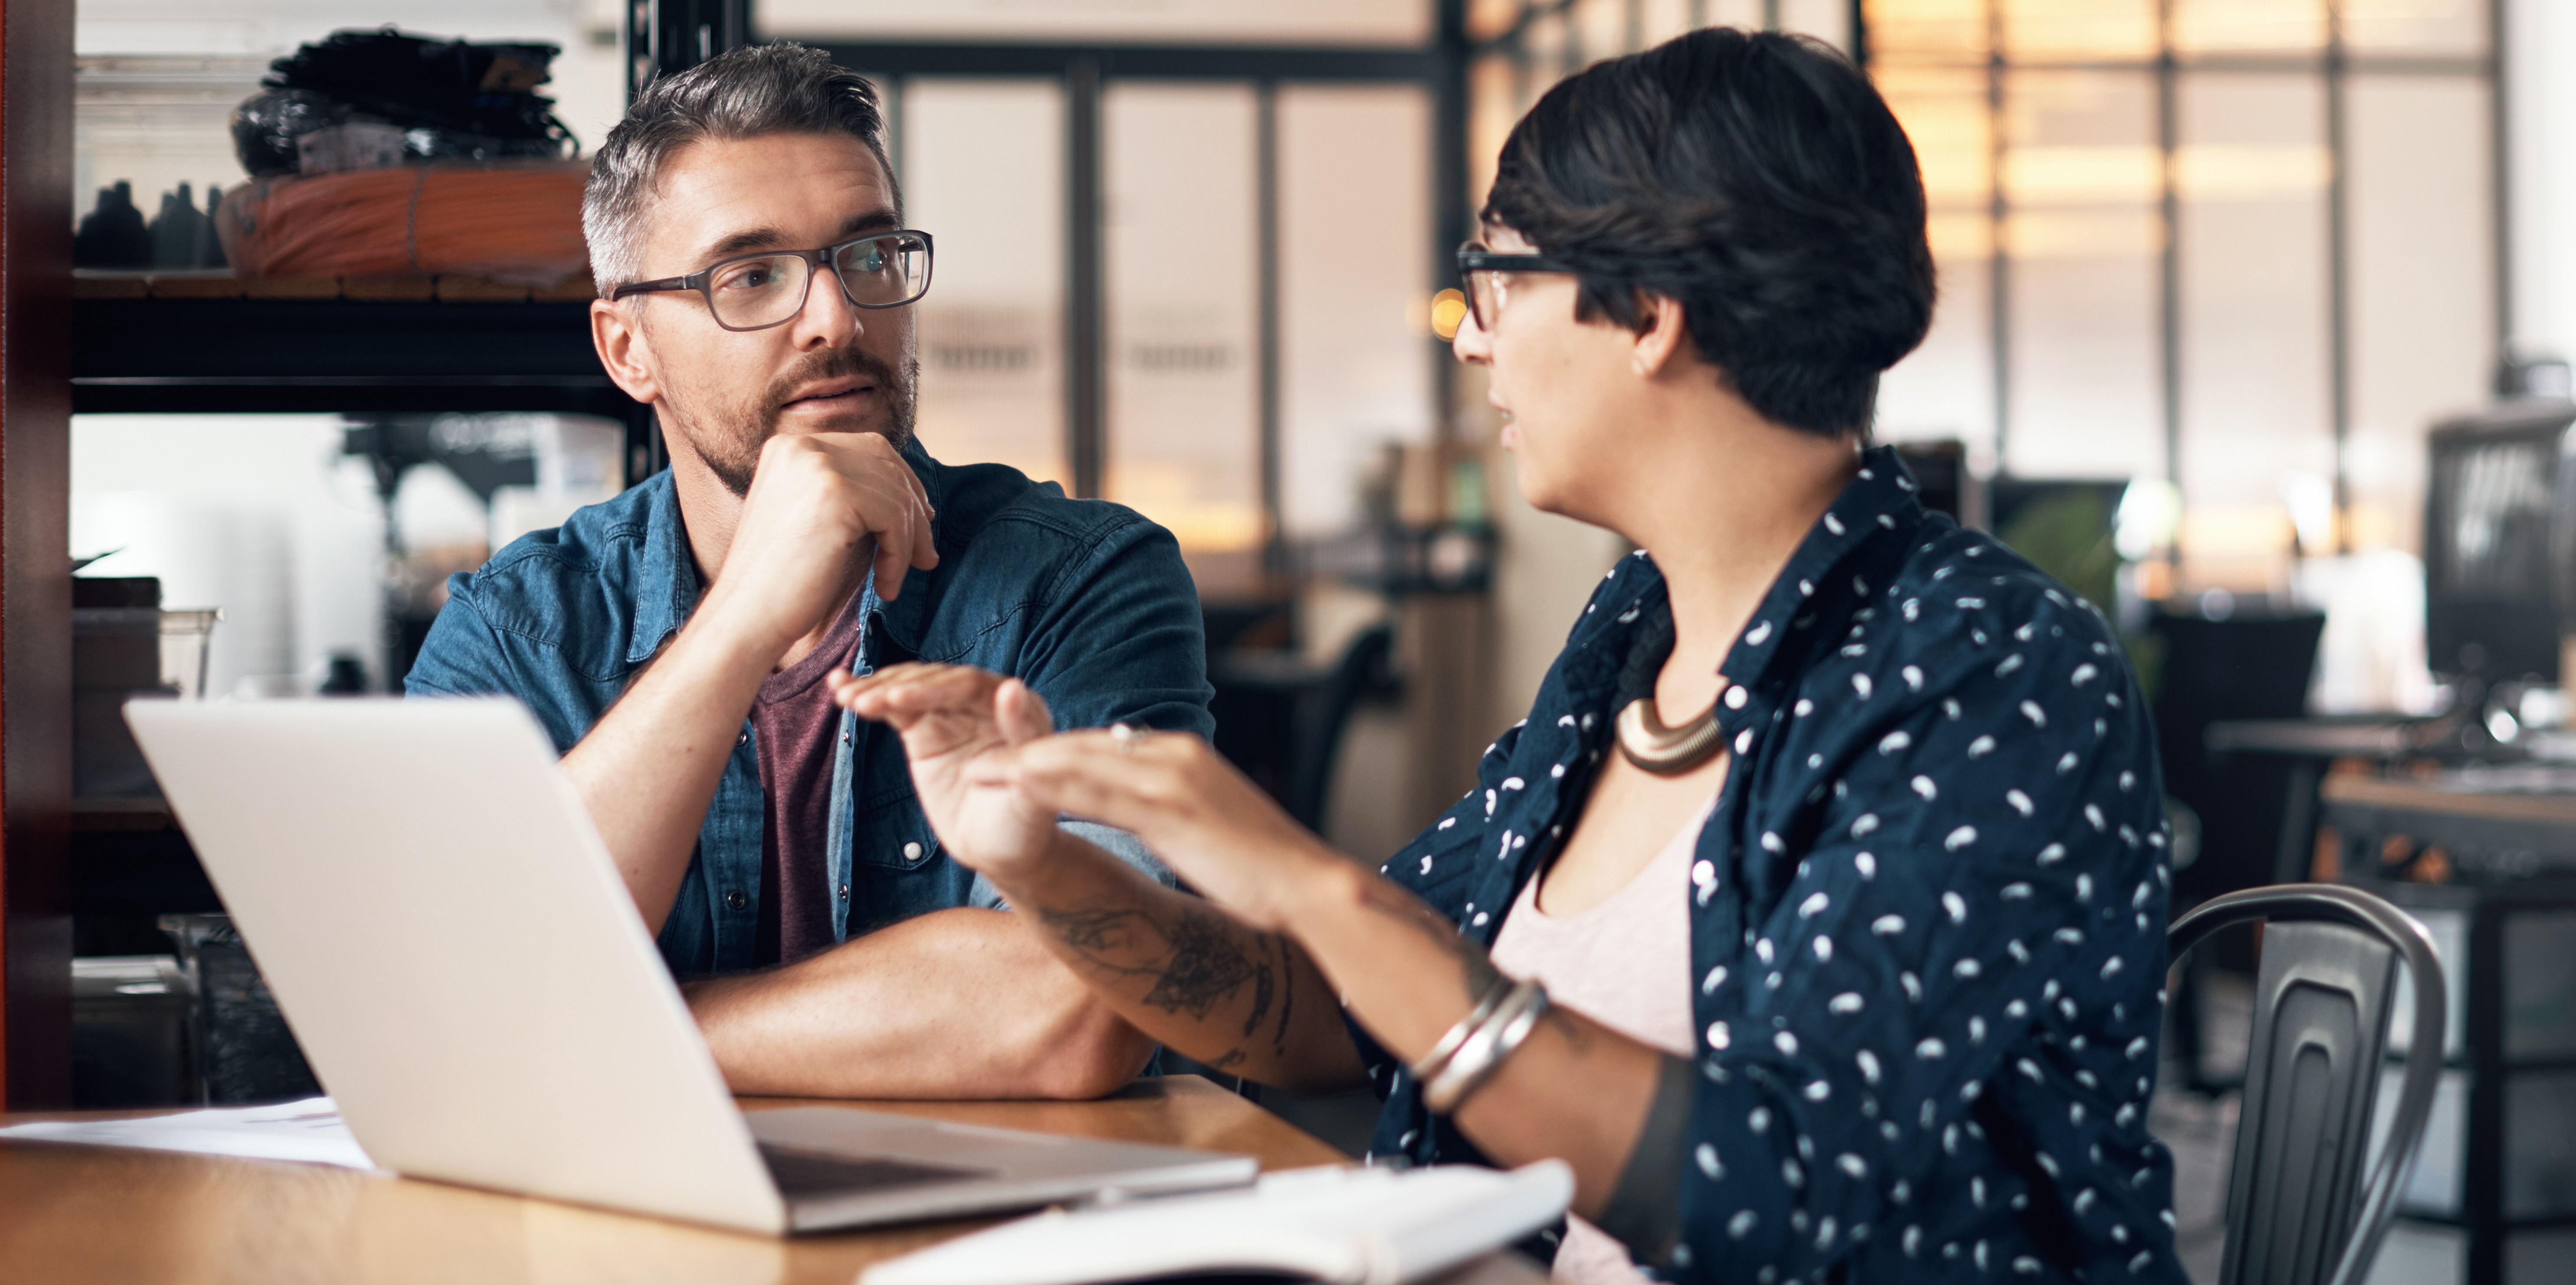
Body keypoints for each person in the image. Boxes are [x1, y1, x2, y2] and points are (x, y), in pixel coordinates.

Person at [828, 27, 2186, 1283]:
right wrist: (1040, 864)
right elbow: (1333, 1013)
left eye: (1494, 277)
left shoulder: (1990, 668)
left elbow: (1765, 1194)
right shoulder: (1628, 636)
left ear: (1646, 310)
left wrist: (1306, 880)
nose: (1472, 338)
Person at [404, 44, 1209, 1101]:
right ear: (627, 348)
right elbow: (442, 995)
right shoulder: (518, 626)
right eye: (752, 276)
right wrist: (742, 618)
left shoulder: (1081, 580)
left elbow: (1086, 1003)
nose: (837, 317)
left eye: (869, 255)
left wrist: (596, 1023)